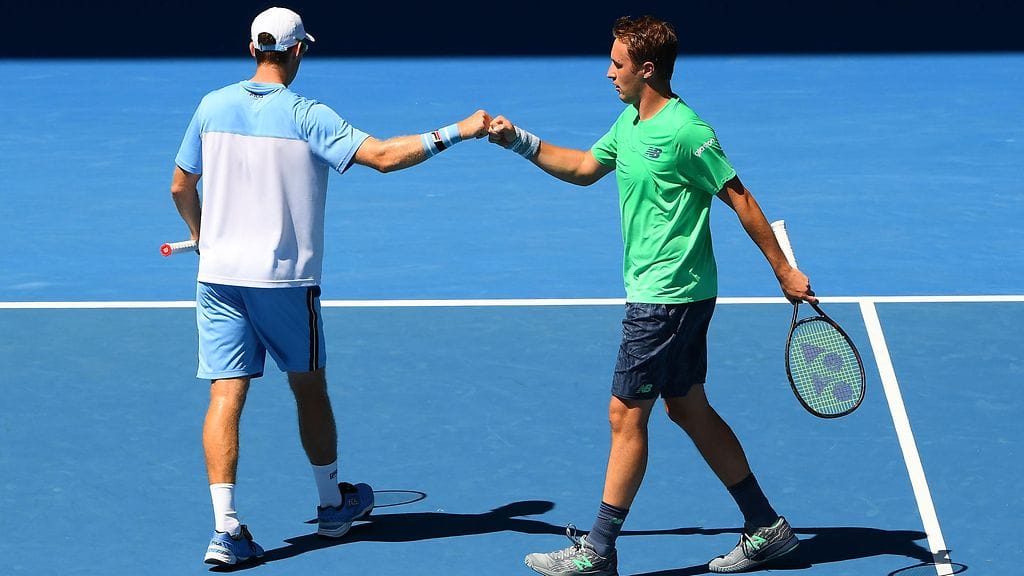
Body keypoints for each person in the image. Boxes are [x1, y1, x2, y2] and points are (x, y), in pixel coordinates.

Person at [487, 15, 816, 576]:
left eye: (617, 64)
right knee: (687, 407)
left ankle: (598, 549)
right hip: (670, 296)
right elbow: (586, 167)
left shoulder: (688, 131)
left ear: (646, 69)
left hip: (667, 299)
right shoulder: (630, 122)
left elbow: (741, 199)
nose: (607, 72)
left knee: (624, 416)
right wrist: (517, 139)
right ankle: (766, 527)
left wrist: (783, 269)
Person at [169, 6, 490, 567]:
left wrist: (200, 234)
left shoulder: (210, 106)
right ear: (298, 51)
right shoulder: (306, 114)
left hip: (217, 277)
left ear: (253, 50)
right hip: (285, 283)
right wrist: (459, 130)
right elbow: (385, 158)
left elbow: (179, 186)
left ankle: (225, 530)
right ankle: (331, 504)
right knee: (308, 387)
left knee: (225, 396)